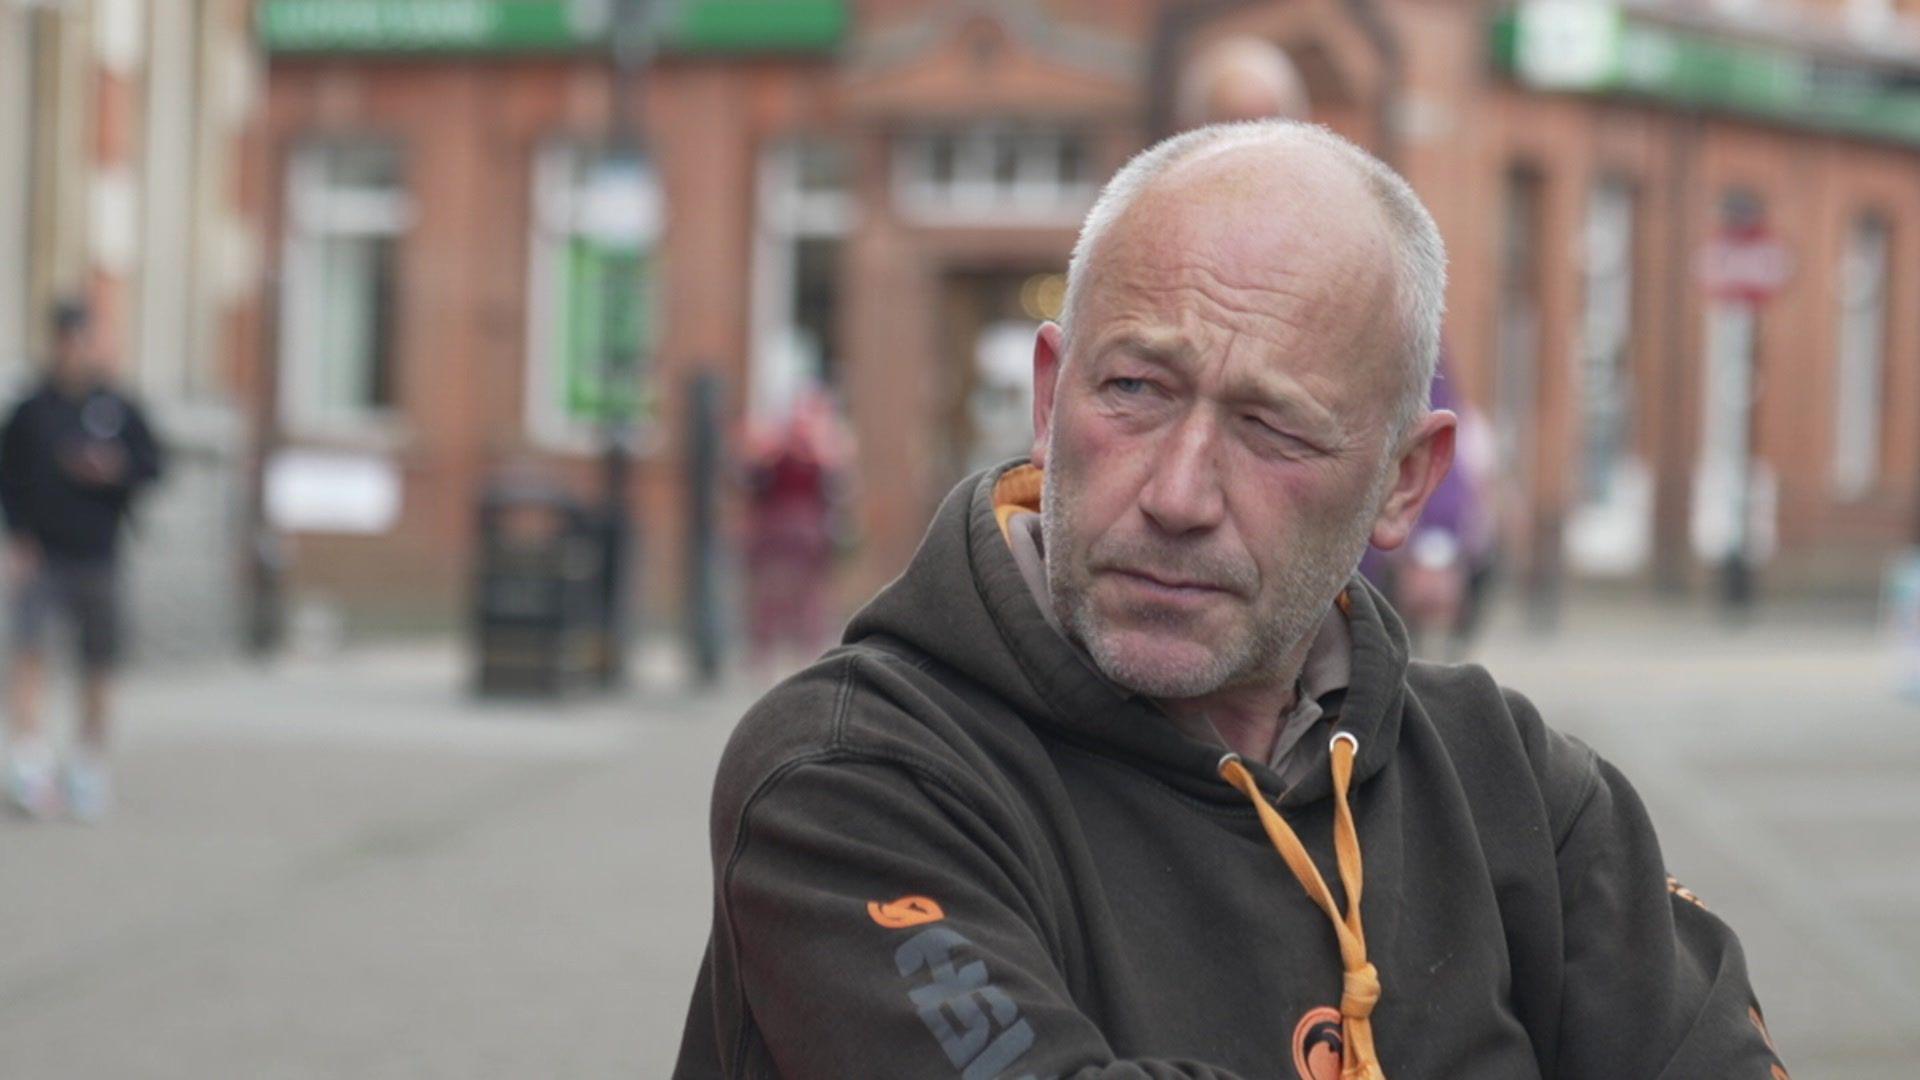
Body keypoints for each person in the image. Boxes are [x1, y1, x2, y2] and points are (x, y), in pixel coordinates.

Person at [675, 122, 1781, 1078]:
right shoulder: (853, 780)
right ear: (1051, 398)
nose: (1177, 493)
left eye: (1273, 428)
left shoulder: (1523, 795)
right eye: (1136, 390)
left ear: (1405, 482)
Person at [1, 299, 163, 821]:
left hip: (99, 554)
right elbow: (8, 476)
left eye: (84, 340)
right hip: (41, 555)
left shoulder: (117, 407)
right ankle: (30, 761)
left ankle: (88, 763)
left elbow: (153, 464)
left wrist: (115, 469)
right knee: (29, 652)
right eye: (68, 340)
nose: (76, 351)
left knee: (98, 664)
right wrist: (17, 536)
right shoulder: (31, 410)